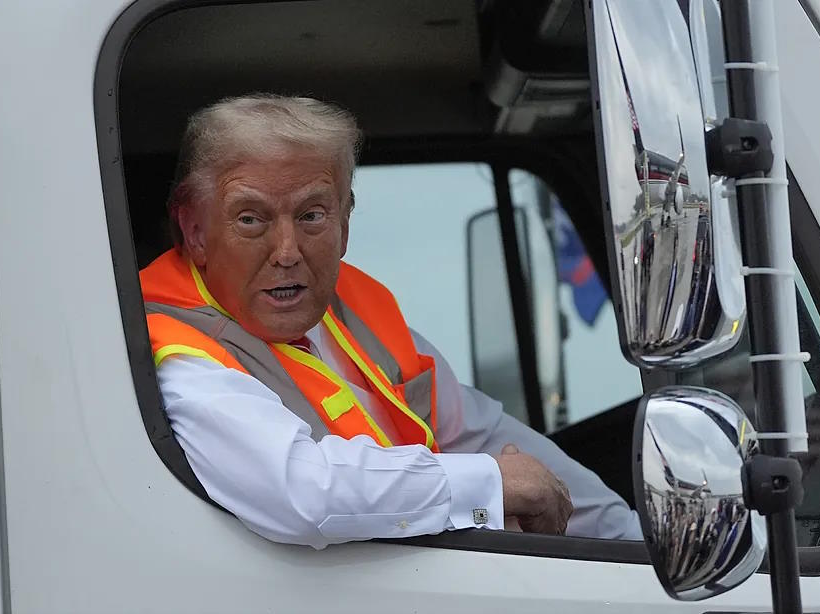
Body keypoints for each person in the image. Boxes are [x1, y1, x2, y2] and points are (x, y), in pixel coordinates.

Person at [140, 94, 641, 549]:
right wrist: (490, 483)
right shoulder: (176, 353)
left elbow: (482, 434)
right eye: (251, 219)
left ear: (346, 222)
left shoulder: (355, 313)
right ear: (195, 231)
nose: (287, 252)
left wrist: (632, 545)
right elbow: (303, 494)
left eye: (313, 214)